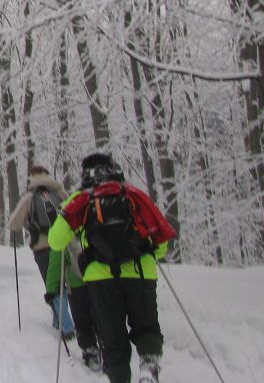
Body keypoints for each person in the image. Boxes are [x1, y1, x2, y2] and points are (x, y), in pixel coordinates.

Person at [48, 153, 176, 383]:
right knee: (146, 323)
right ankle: (149, 365)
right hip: (141, 272)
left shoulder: (80, 199)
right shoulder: (134, 195)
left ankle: (119, 378)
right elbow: (161, 242)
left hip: (100, 277)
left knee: (112, 335)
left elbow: (56, 241)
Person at [8, 165, 100, 369]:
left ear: (32, 177)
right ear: (48, 175)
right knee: (72, 283)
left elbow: (13, 223)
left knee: (54, 283)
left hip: (43, 247)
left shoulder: (30, 197)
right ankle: (76, 323)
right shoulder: (59, 192)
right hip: (66, 244)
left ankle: (66, 325)